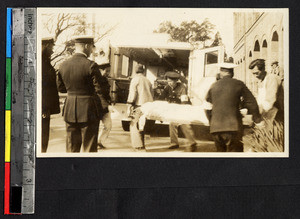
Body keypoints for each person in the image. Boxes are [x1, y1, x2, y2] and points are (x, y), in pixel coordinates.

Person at [56, 36, 105, 152]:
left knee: (71, 147)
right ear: (86, 46)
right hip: (89, 110)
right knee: (89, 147)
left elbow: (61, 88)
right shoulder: (91, 65)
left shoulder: (63, 65)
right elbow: (100, 88)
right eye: (91, 48)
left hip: (70, 109)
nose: (92, 51)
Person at [206, 63, 262, 152]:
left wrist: (211, 122)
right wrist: (257, 120)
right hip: (233, 127)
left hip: (215, 129)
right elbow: (251, 102)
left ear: (221, 73)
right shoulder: (238, 84)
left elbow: (207, 106)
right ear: (232, 73)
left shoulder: (213, 86)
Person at [159, 71, 197, 151]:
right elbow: (161, 99)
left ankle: (192, 143)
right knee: (172, 123)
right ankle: (174, 143)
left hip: (183, 108)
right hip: (173, 109)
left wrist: (181, 113)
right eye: (168, 81)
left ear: (176, 81)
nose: (169, 83)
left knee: (184, 124)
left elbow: (184, 102)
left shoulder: (182, 87)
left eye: (171, 81)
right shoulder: (167, 88)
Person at [127, 64, 154, 150]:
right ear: (143, 71)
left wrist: (129, 104)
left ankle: (138, 146)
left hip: (138, 105)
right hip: (147, 106)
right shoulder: (148, 80)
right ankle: (142, 145)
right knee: (142, 126)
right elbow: (152, 94)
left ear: (135, 71)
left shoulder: (135, 80)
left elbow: (133, 93)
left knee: (134, 125)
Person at [42, 37, 60, 153]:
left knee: (44, 139)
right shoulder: (40, 63)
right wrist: (43, 108)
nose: (53, 50)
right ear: (46, 45)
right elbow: (41, 87)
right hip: (43, 109)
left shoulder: (45, 61)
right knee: (42, 139)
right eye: (52, 47)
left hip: (45, 109)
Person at [97, 63, 112, 149]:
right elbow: (99, 94)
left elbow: (106, 93)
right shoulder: (97, 80)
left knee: (108, 125)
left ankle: (99, 141)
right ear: (101, 70)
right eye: (107, 70)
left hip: (105, 105)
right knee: (98, 126)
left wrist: (110, 100)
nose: (108, 72)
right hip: (99, 105)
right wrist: (106, 104)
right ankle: (96, 142)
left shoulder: (105, 80)